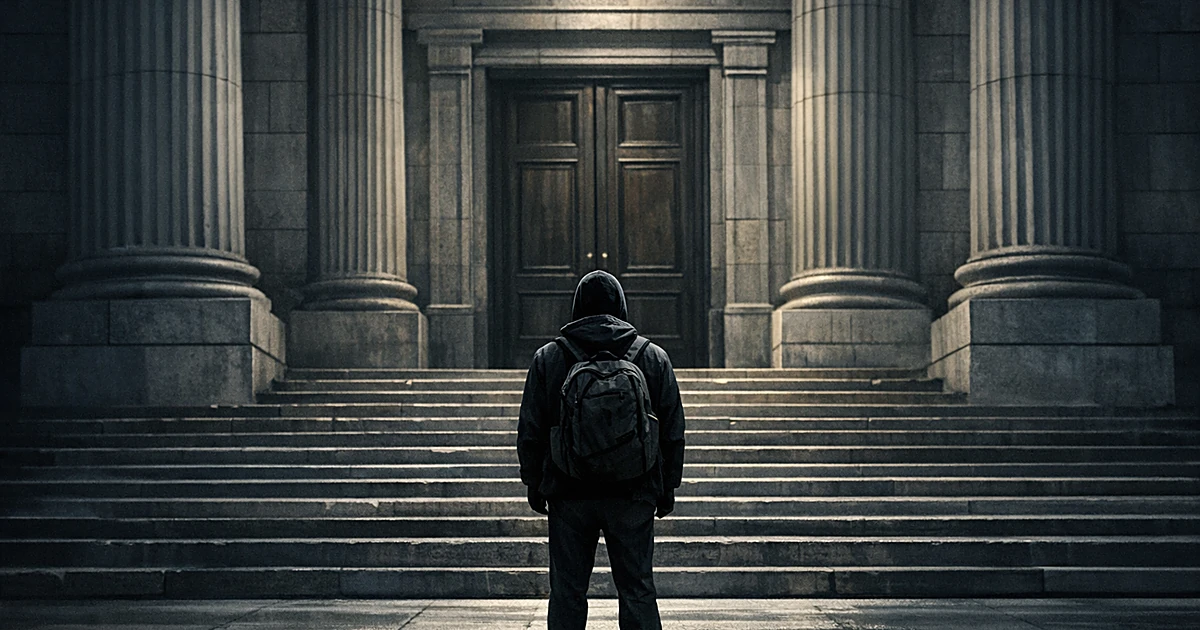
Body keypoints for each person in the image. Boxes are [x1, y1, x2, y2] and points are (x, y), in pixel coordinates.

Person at [517, 270, 686, 630]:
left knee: (567, 591)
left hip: (568, 489)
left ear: (577, 307)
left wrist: (534, 482)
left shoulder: (549, 358)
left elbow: (531, 428)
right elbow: (672, 428)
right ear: (621, 306)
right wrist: (668, 485)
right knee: (637, 588)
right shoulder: (652, 357)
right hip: (634, 490)